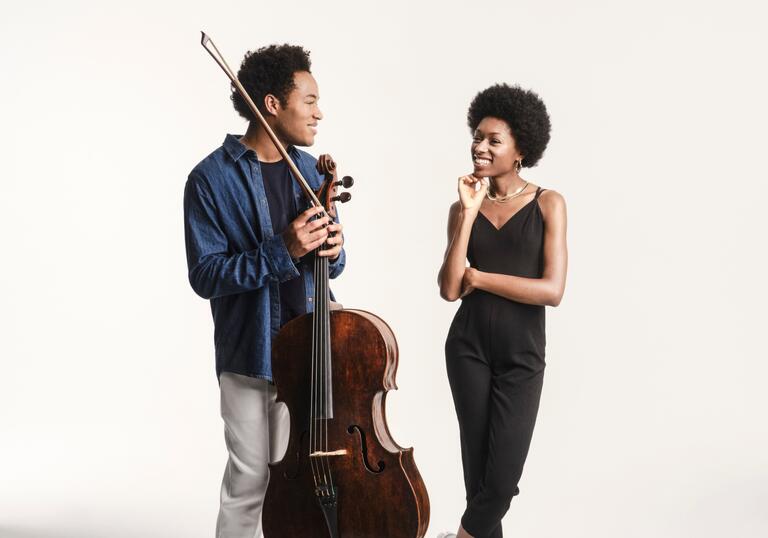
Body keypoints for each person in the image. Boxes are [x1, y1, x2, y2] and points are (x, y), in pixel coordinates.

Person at [183, 44, 346, 538]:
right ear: (272, 104)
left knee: (296, 483)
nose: (320, 112)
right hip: (251, 353)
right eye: (310, 101)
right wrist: (284, 249)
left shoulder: (315, 172)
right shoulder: (210, 178)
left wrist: (333, 248)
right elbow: (206, 275)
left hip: (311, 352)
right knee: (251, 480)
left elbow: (332, 269)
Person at [437, 84, 568, 538]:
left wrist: (483, 278)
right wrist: (469, 214)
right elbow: (450, 287)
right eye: (477, 136)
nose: (480, 146)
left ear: (520, 150)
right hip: (467, 349)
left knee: (501, 482)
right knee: (478, 481)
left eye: (494, 140)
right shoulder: (461, 207)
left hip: (522, 356)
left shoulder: (548, 203)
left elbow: (552, 290)